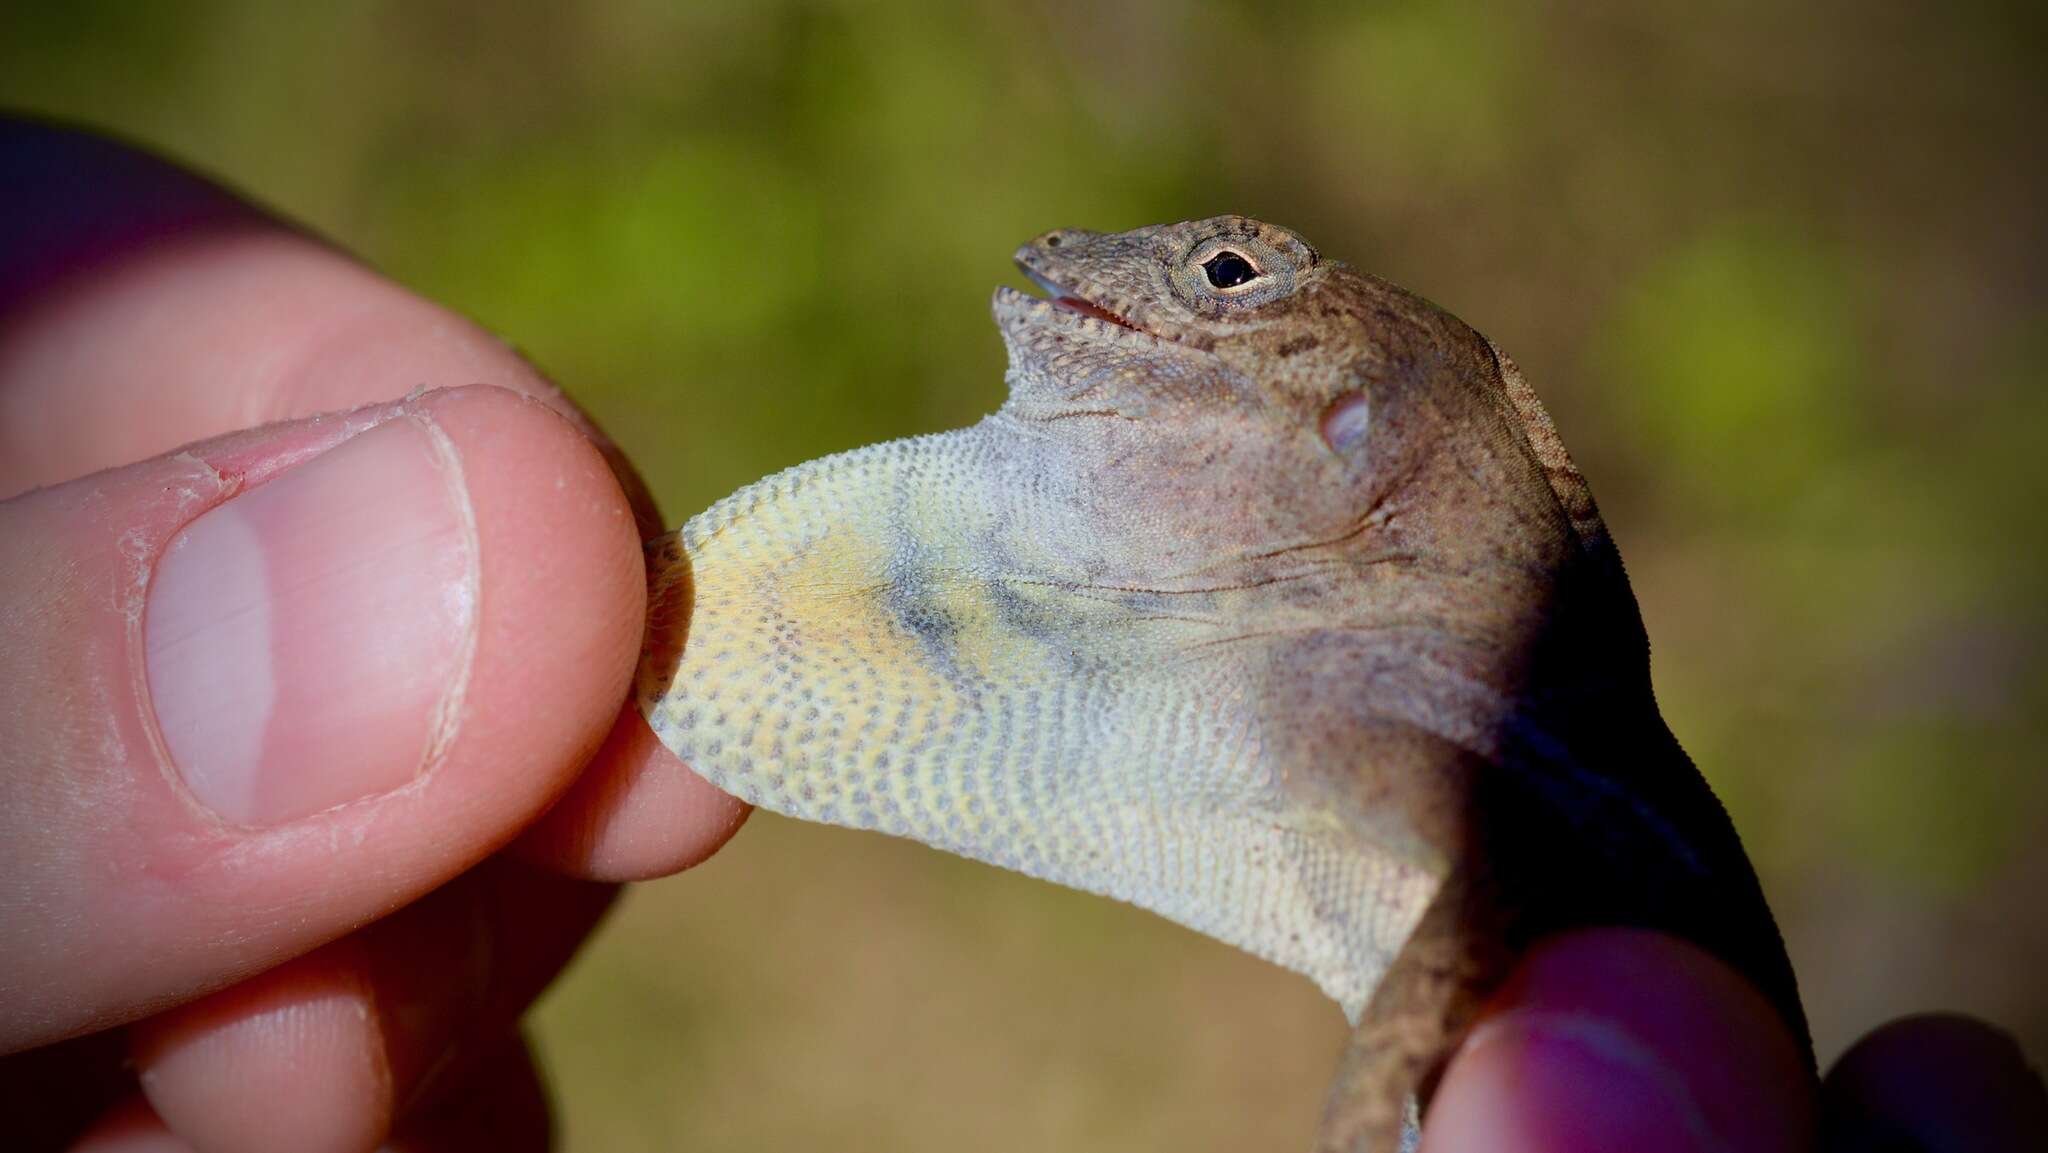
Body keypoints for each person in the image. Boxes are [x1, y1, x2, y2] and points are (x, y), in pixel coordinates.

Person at [1, 119, 2040, 1153]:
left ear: (1361, 423)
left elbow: (1461, 941)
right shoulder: (1378, 675)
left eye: (1230, 275)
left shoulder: (1439, 691)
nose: (1077, 279)